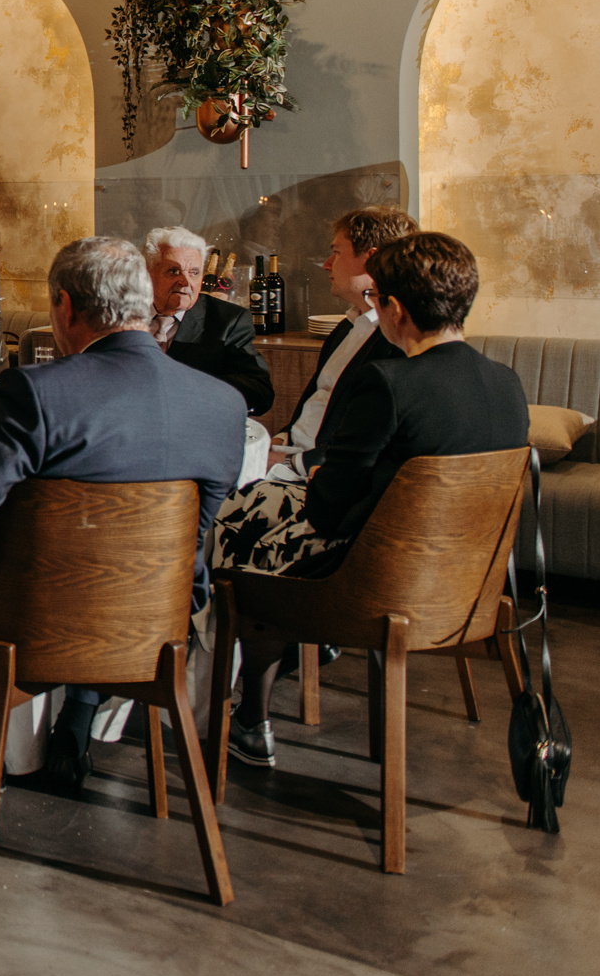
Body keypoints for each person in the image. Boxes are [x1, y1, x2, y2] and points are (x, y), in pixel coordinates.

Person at [0, 236, 245, 795]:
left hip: (25, 625)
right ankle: (75, 725)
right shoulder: (224, 405)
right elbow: (194, 535)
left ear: (65, 308)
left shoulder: (33, 392)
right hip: (155, 626)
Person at [215, 230, 529, 768]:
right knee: (260, 510)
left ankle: (244, 715)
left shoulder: (388, 383)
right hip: (466, 587)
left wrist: (310, 484)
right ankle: (249, 711)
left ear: (396, 309)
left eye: (377, 299)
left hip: (372, 588)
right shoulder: (507, 383)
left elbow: (329, 510)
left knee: (235, 530)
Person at [266, 206, 419, 474]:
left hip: (321, 476)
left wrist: (288, 462)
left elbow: (372, 442)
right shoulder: (346, 327)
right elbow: (315, 402)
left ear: (371, 259)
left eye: (336, 252)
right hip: (291, 455)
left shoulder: (397, 341)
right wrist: (280, 440)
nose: (326, 264)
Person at [145, 225, 273, 415]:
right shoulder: (119, 314)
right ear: (148, 273)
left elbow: (259, 391)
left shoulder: (227, 320)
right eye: (174, 271)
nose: (185, 282)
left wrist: (190, 387)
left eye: (194, 273)